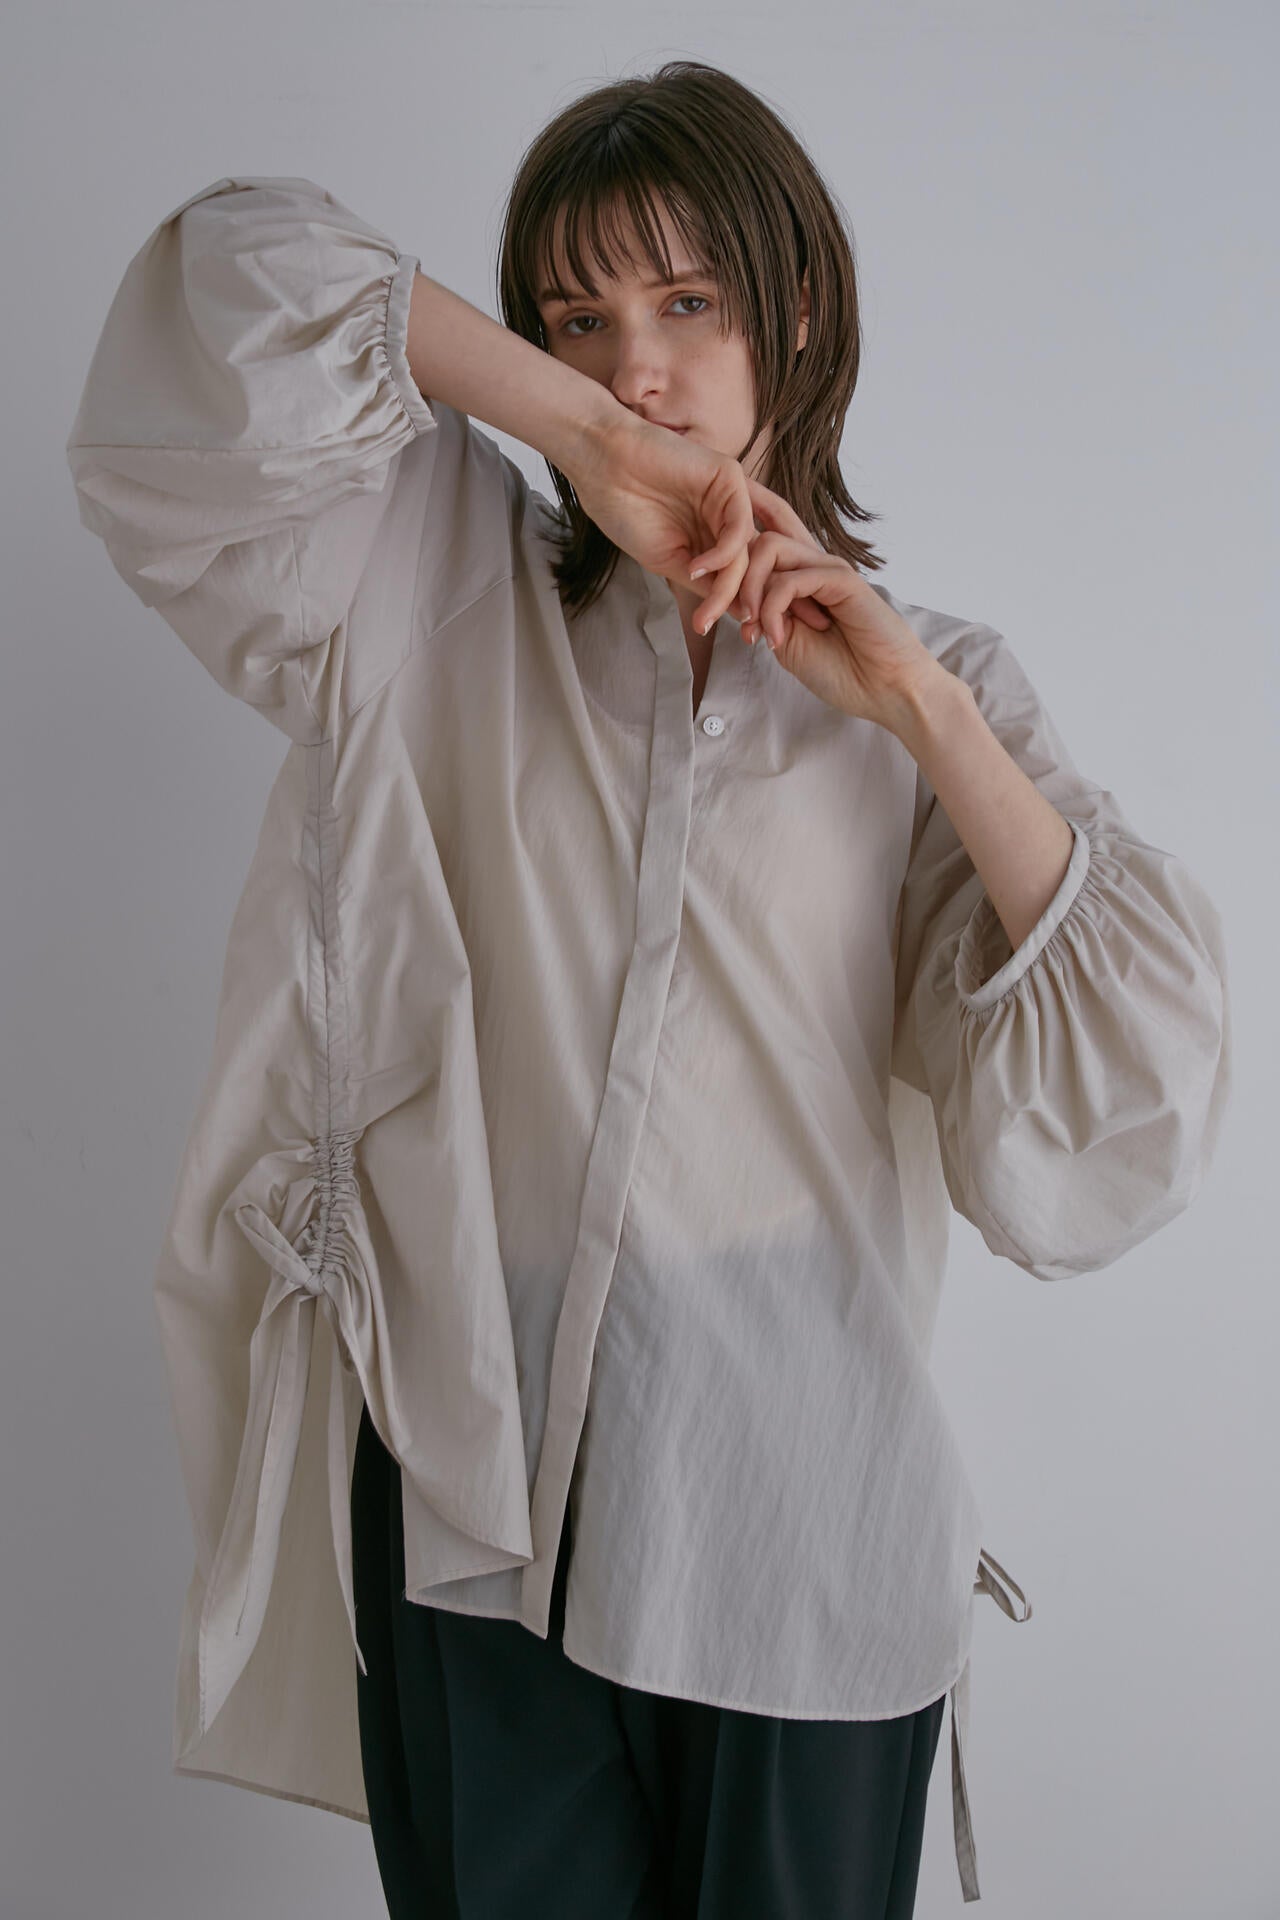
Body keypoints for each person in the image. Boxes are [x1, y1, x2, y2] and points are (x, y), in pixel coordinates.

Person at [65, 58, 1231, 1920]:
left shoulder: (935, 693)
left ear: (798, 311)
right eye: (578, 319)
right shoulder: (430, 580)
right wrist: (578, 437)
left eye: (689, 304)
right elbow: (221, 284)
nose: (639, 367)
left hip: (800, 1533)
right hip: (468, 1505)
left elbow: (1122, 1125)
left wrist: (918, 705)